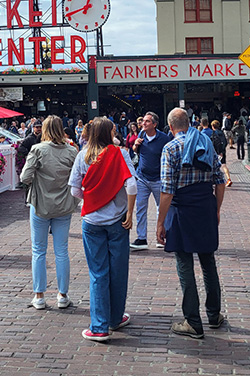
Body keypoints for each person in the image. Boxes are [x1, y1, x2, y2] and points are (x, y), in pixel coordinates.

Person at [156, 108, 225, 340]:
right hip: (205, 204)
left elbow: (166, 190)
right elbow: (220, 180)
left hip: (182, 209)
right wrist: (216, 209)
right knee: (208, 261)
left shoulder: (170, 148)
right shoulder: (205, 142)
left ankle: (193, 321)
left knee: (184, 263)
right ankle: (214, 315)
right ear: (189, 122)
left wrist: (160, 222)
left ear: (171, 126)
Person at [69, 117, 136, 342]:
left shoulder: (82, 156)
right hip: (118, 221)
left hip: (92, 221)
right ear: (108, 133)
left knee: (98, 273)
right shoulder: (121, 154)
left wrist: (91, 199)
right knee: (118, 271)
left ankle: (99, 326)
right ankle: (115, 318)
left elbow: (74, 190)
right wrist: (128, 212)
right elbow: (132, 185)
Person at [20, 115, 79, 310]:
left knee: (38, 250)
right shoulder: (72, 151)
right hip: (63, 204)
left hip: (40, 204)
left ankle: (39, 296)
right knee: (62, 251)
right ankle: (63, 295)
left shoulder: (37, 150)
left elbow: (25, 177)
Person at [130, 112, 171, 251]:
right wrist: (135, 145)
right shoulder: (141, 135)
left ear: (154, 124)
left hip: (158, 179)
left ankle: (161, 237)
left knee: (162, 208)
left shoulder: (164, 139)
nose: (143, 123)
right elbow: (136, 151)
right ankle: (141, 238)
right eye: (143, 121)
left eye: (147, 121)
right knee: (140, 209)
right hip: (142, 178)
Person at [209, 120, 232, 186]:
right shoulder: (221, 132)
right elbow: (225, 141)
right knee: (224, 165)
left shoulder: (213, 133)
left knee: (214, 166)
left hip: (216, 152)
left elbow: (213, 143)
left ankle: (215, 179)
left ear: (213, 126)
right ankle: (228, 179)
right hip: (222, 151)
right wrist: (222, 150)